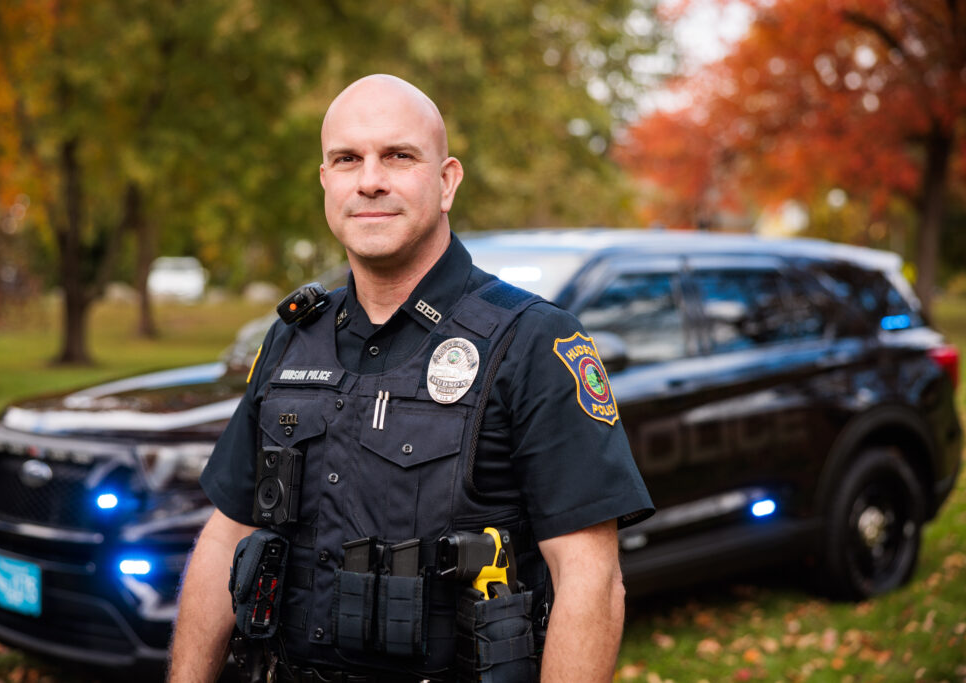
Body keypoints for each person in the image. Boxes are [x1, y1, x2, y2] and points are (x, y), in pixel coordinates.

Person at [168, 74, 653, 683]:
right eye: (347, 159)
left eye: (398, 156)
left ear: (446, 181)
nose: (370, 179)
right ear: (326, 183)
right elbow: (226, 534)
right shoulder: (293, 338)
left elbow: (591, 579)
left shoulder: (533, 342)